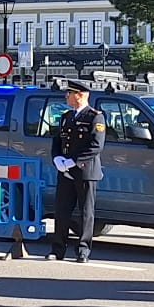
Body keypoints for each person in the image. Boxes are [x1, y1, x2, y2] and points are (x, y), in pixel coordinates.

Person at [48, 78, 105, 263]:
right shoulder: (67, 116)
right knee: (62, 211)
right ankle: (58, 249)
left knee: (86, 212)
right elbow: (58, 139)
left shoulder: (95, 117)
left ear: (79, 96)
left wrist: (73, 161)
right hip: (65, 172)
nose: (67, 96)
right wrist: (56, 157)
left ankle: (83, 250)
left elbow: (96, 145)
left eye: (70, 93)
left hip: (85, 171)